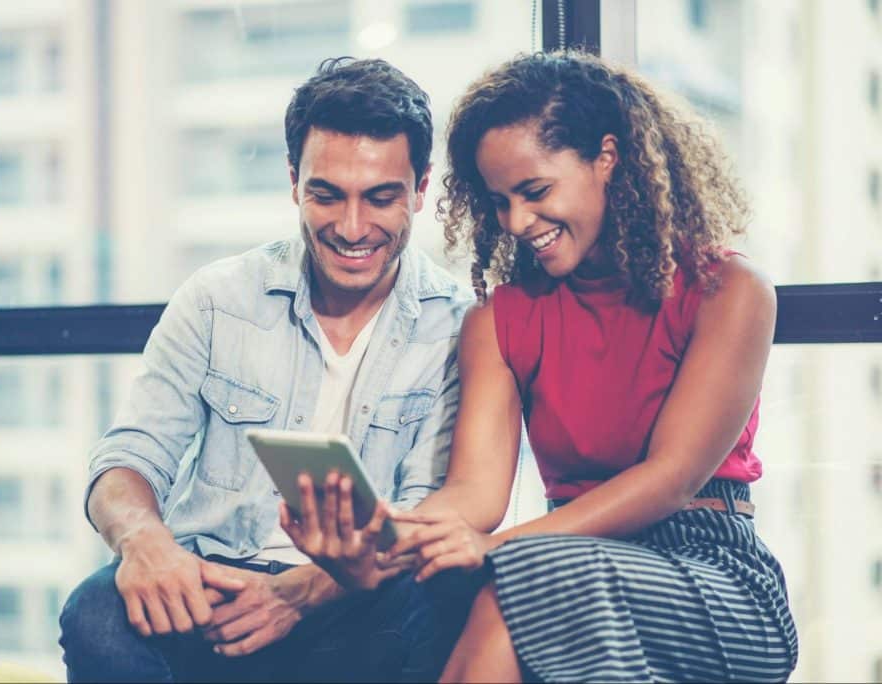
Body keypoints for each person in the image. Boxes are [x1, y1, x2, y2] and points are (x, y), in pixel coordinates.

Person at [284, 51, 799, 683]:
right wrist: (388, 529)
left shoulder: (731, 290)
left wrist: (501, 551)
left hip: (716, 580)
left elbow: (671, 479)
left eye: (535, 192)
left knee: (521, 579)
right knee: (455, 592)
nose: (518, 222)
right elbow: (474, 494)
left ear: (606, 158)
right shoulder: (498, 322)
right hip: (564, 569)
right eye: (500, 201)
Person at [58, 57, 475, 683]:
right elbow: (129, 456)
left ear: (420, 189)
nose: (352, 227)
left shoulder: (456, 328)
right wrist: (143, 540)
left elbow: (423, 518)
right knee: (95, 613)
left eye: (381, 197)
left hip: (354, 599)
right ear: (293, 182)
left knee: (431, 609)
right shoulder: (217, 297)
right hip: (214, 585)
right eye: (326, 194)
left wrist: (300, 595)